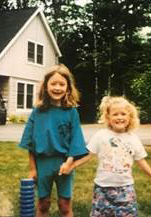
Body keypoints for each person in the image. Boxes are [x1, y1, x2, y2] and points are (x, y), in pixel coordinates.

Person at [59, 96, 151, 217]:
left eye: (123, 114)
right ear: (108, 118)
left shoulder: (133, 138)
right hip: (102, 189)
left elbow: (141, 160)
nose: (119, 117)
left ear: (130, 117)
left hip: (125, 188)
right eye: (115, 114)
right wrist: (71, 166)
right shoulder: (101, 135)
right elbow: (88, 155)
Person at [19, 64, 88, 217]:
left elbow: (76, 140)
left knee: (64, 205)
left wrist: (69, 162)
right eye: (53, 83)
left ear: (68, 88)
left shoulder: (72, 112)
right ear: (46, 86)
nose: (57, 87)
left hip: (65, 163)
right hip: (42, 163)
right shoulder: (37, 112)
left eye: (62, 84)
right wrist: (32, 168)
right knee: (43, 204)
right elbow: (30, 142)